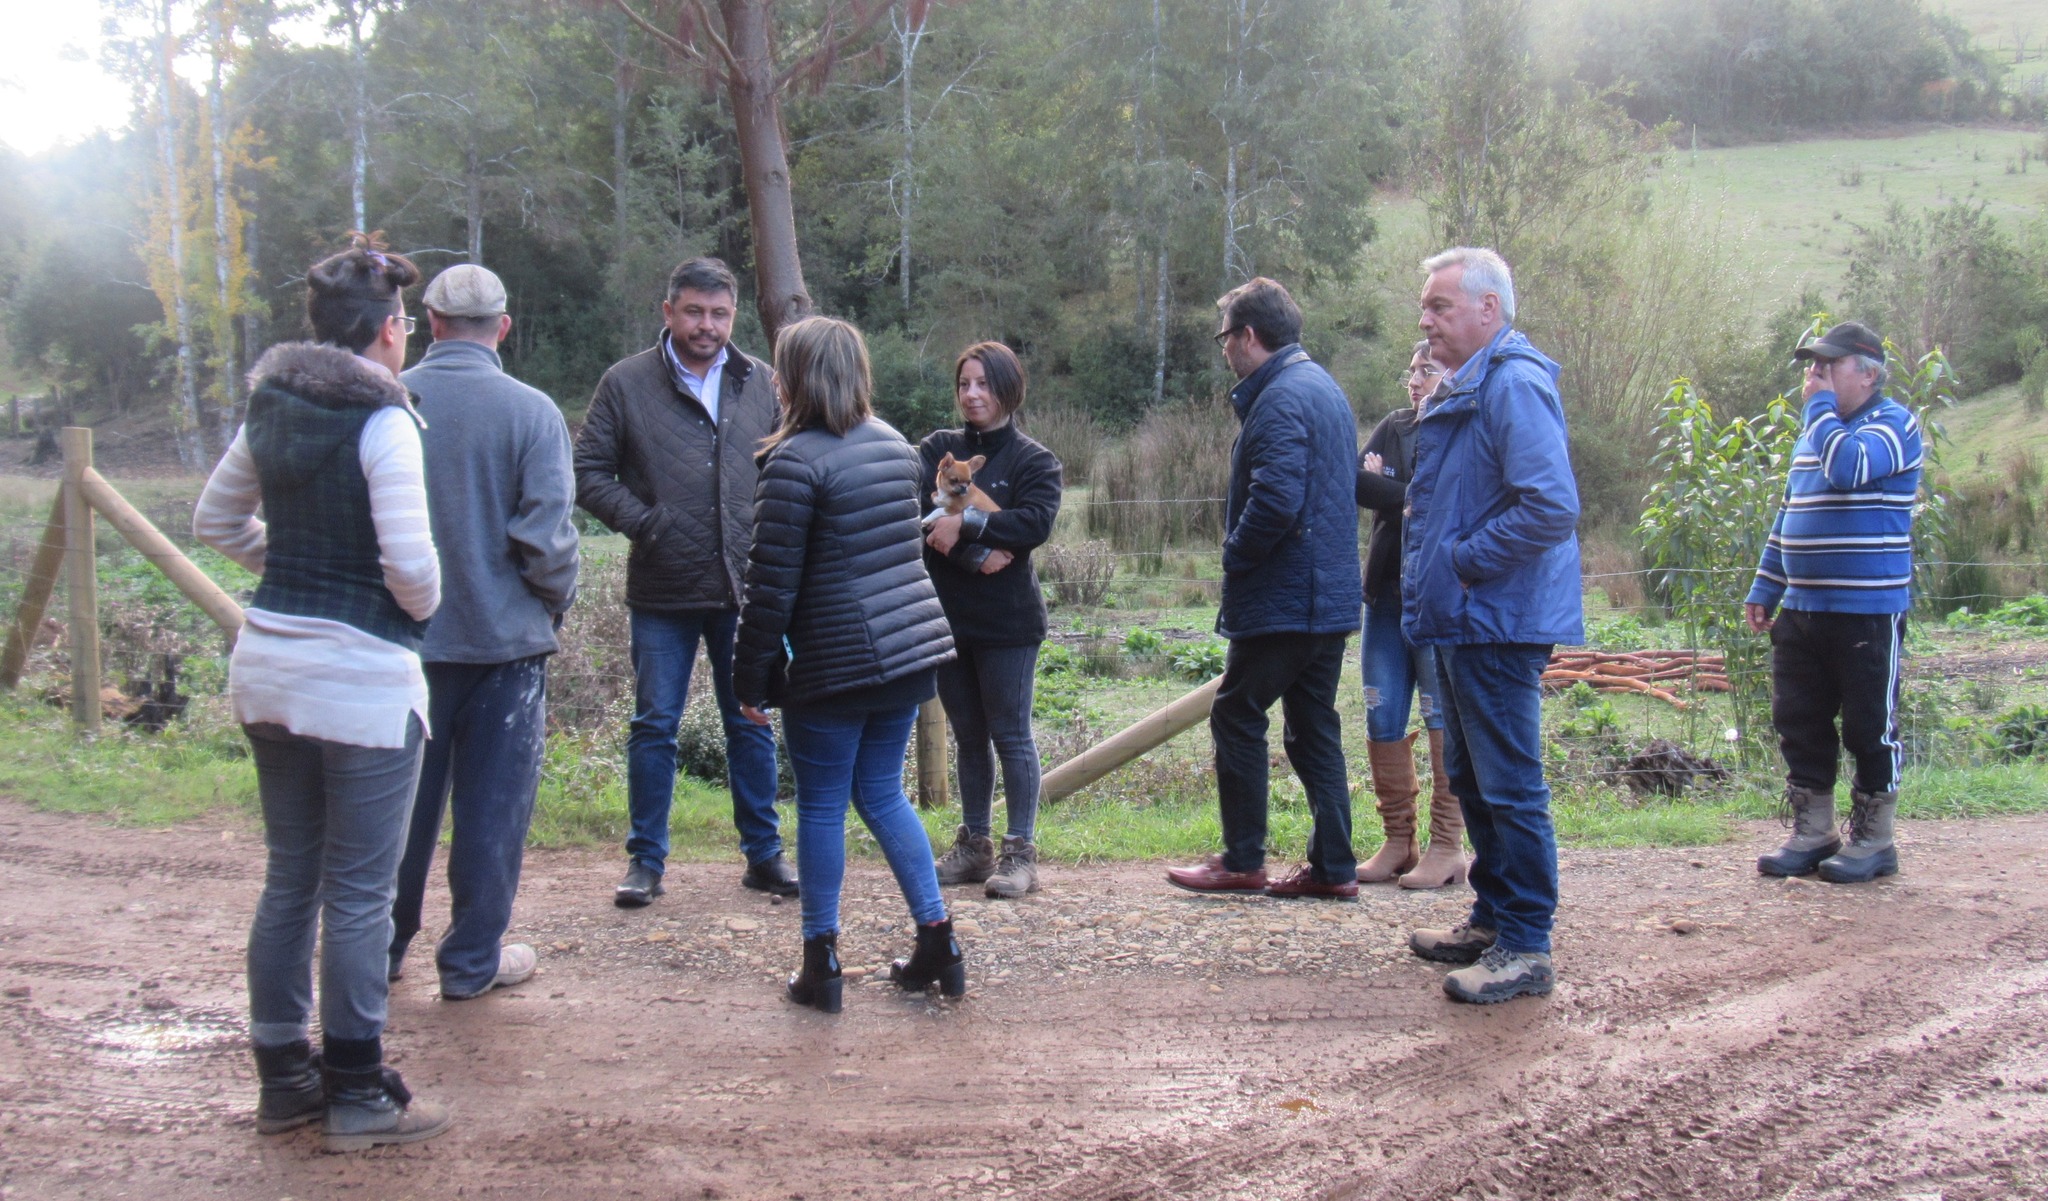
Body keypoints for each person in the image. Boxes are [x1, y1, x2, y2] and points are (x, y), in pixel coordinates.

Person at [193, 233, 449, 1149]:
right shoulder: (386, 419)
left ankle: (283, 1079)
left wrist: (287, 565)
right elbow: (412, 567)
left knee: (290, 877)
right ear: (388, 330)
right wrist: (413, 606)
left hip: (267, 665)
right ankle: (356, 1088)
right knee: (357, 892)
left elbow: (213, 518)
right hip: (361, 680)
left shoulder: (272, 404)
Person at [730, 316, 962, 1014]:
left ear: (794, 378)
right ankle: (939, 941)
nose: (773, 379)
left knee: (825, 804)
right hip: (907, 653)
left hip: (835, 662)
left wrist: (750, 681)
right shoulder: (895, 446)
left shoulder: (794, 462)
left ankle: (820, 962)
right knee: (883, 795)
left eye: (780, 369)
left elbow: (770, 589)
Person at [387, 264, 579, 999]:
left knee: (398, 810)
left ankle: (379, 951)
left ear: (428, 322)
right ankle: (470, 963)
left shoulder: (389, 401)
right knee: (493, 815)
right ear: (503, 328)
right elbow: (548, 543)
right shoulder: (532, 412)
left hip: (405, 646)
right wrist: (546, 608)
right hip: (504, 648)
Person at [575, 256, 791, 908]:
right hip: (663, 587)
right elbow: (587, 470)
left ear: (733, 315)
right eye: (694, 312)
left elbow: (791, 463)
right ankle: (646, 861)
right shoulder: (625, 382)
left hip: (744, 585)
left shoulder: (761, 382)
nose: (707, 325)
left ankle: (764, 856)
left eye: (719, 313)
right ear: (668, 312)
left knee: (751, 721)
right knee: (654, 725)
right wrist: (646, 523)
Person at [1401, 246, 1583, 1005]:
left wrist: (1465, 561)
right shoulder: (1472, 383)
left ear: (1488, 309)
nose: (1426, 320)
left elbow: (1550, 504)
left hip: (1498, 617)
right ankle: (1494, 915)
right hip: (1467, 614)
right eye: (1427, 306)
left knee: (1509, 780)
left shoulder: (1514, 382)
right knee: (1473, 775)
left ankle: (1527, 945)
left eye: (1441, 306)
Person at [1166, 277, 1363, 901]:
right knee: (1312, 726)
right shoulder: (1324, 387)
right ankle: (1334, 866)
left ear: (1249, 336)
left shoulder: (1280, 398)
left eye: (1225, 336)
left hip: (1287, 598)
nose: (1223, 349)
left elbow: (1277, 499)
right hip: (1326, 596)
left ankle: (1243, 858)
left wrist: (1234, 555)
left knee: (1237, 712)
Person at [1747, 321, 1922, 884]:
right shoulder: (1814, 433)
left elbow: (1848, 470)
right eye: (1811, 367)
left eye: (1828, 365)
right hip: (1802, 610)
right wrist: (1766, 583)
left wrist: (1817, 410)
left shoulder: (1894, 425)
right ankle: (1813, 832)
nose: (1813, 376)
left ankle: (1874, 841)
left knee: (1870, 726)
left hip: (1866, 609)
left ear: (1867, 373)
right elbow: (1791, 513)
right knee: (1798, 721)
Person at [920, 342, 1063, 899]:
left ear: (1008, 389)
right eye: (964, 384)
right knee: (968, 735)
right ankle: (975, 847)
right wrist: (977, 548)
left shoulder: (1035, 460)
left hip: (1008, 623)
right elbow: (918, 519)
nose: (972, 394)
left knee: (1010, 733)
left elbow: (1033, 525)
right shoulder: (936, 448)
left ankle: (1019, 853)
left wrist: (966, 524)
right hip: (947, 618)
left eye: (983, 383)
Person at [1354, 341, 1464, 889]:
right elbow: (1358, 482)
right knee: (1381, 714)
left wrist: (1393, 487)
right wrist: (1410, 493)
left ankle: (1448, 845)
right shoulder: (1395, 425)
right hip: (1382, 596)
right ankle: (1400, 842)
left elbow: (1446, 498)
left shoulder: (1460, 425)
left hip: (1435, 598)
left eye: (1429, 370)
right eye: (1412, 371)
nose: (1415, 380)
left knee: (1441, 717)